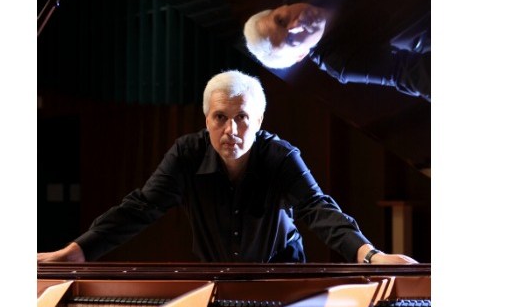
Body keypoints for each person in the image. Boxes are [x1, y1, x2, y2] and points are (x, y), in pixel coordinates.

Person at [37, 70, 416, 265]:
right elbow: (141, 207)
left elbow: (317, 209)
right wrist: (78, 251)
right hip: (218, 278)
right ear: (207, 119)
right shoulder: (186, 154)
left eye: (242, 118)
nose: (230, 130)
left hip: (282, 277)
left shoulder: (281, 156)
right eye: (220, 117)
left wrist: (371, 256)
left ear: (259, 121)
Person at [243, 0, 430, 101]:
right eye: (291, 40)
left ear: (281, 7)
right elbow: (413, 76)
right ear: (301, 55)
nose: (297, 24)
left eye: (281, 20)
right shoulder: (342, 62)